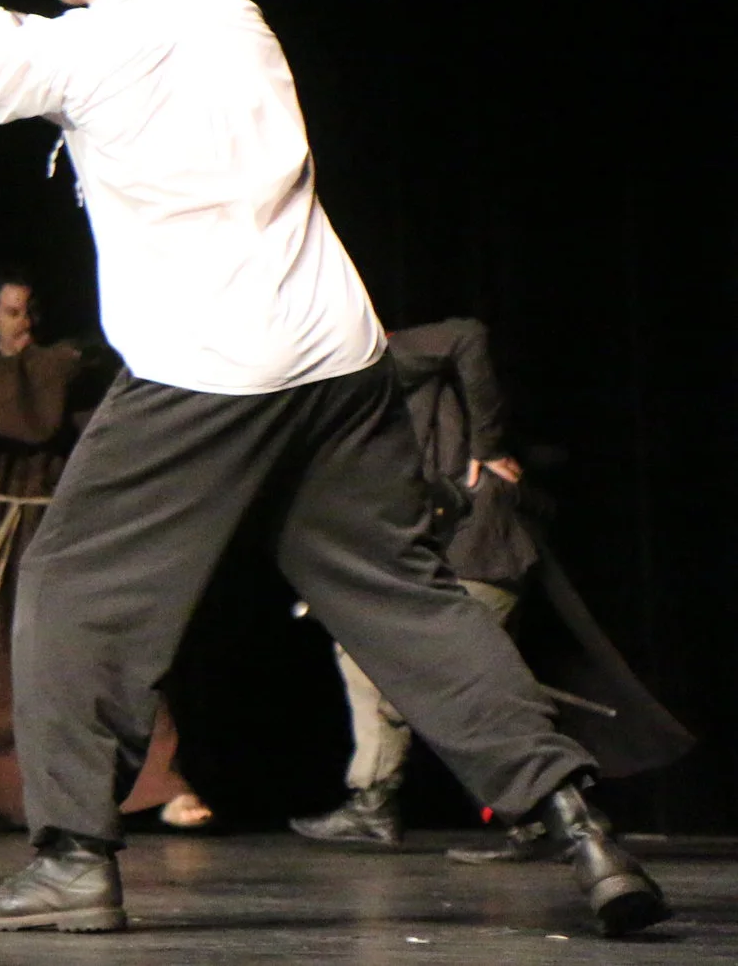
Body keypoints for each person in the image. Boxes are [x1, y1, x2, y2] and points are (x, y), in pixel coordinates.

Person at [0, 0, 666, 937]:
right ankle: (577, 819)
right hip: (333, 357)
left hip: (206, 368)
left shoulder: (92, 48)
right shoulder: (230, 11)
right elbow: (33, 53)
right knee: (405, 599)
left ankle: (72, 856)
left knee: (71, 588)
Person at [293, 317, 694, 856]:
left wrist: (487, 445)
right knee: (363, 658)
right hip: (435, 548)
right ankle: (375, 802)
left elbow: (467, 334)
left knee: (468, 686)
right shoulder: (361, 407)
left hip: (476, 548)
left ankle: (538, 816)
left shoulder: (385, 357)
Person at [0, 272, 206, 834]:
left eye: (31, 312)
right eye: (13, 312)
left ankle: (163, 784)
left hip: (51, 532)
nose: (25, 323)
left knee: (99, 655)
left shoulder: (65, 372)